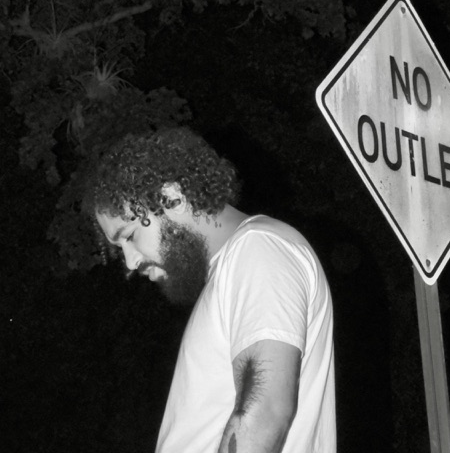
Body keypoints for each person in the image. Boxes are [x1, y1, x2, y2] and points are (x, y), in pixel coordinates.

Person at [84, 126, 336, 453]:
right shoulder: (234, 265)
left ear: (171, 197)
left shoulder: (258, 247)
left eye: (130, 236)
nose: (130, 262)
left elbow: (265, 412)